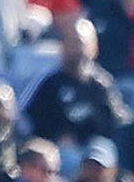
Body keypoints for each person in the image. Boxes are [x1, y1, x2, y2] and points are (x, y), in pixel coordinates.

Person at [22, 14, 128, 149]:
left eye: (82, 44)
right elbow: (29, 120)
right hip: (60, 150)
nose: (77, 50)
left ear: (93, 48)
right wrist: (56, 138)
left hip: (95, 150)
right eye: (72, 43)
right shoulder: (50, 82)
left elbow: (117, 121)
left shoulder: (101, 83)